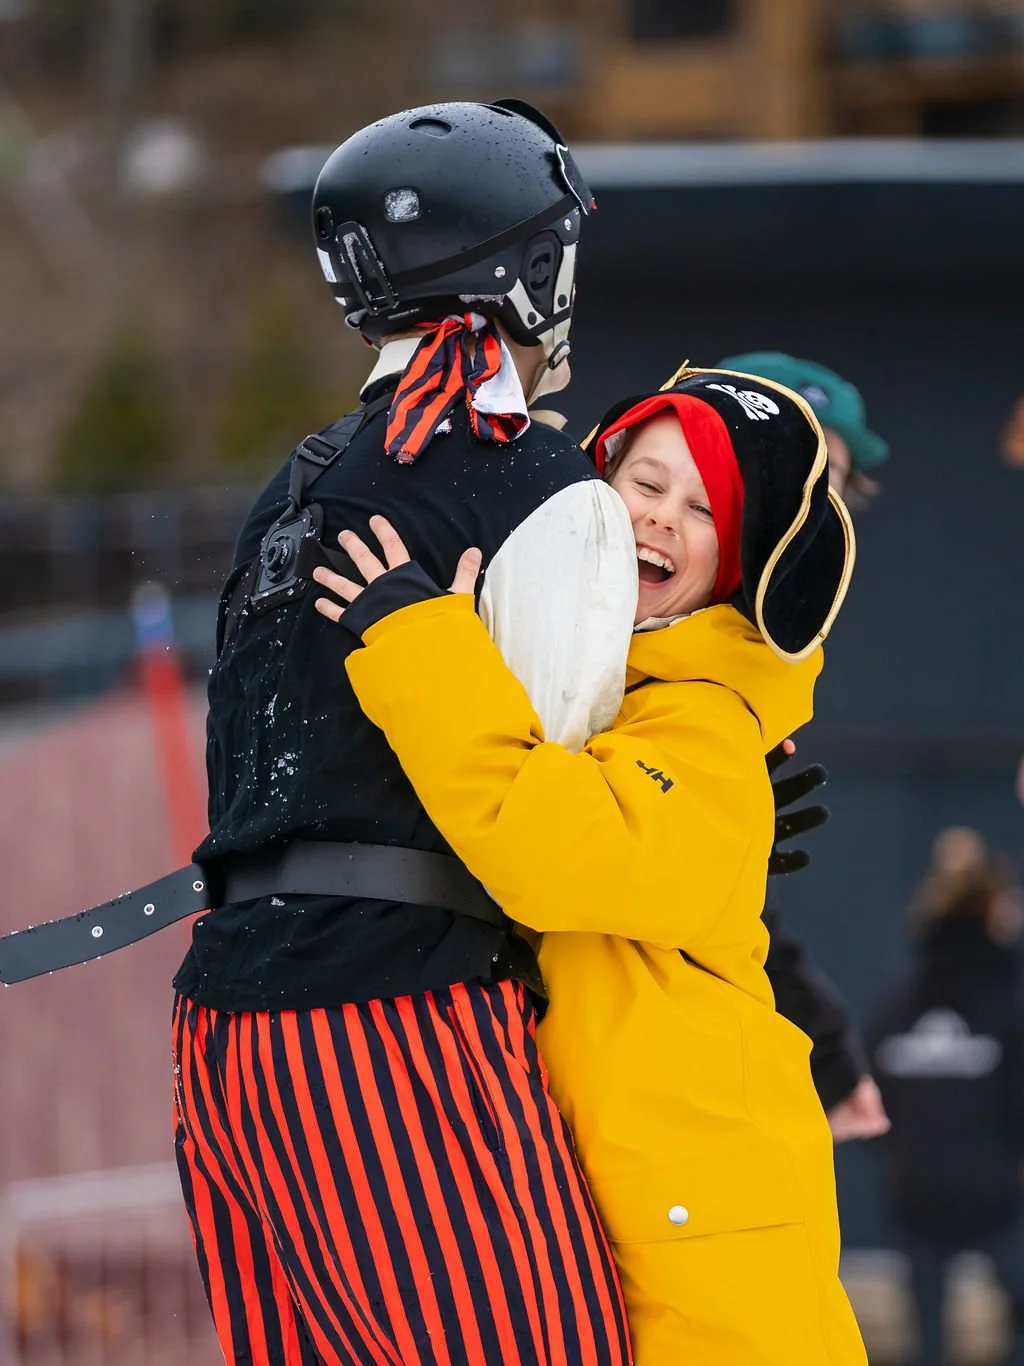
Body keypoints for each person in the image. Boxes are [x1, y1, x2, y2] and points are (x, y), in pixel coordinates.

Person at [171, 99, 637, 1366]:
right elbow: (555, 814)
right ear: (529, 271)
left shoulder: (300, 480)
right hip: (398, 1019)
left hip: (225, 1034)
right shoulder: (536, 484)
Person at [314, 366, 869, 1364]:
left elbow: (546, 847)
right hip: (637, 1203)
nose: (660, 517)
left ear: (739, 566)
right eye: (645, 482)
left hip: (706, 1228)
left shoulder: (707, 719)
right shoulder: (596, 693)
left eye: (703, 510)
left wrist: (414, 639)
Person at [720, 350, 891, 1142]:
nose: (810, 506)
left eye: (833, 484)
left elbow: (728, 903)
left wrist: (827, 1051)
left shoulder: (768, 651)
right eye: (794, 467)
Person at [869, 828, 1024, 1366]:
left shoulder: (901, 1007)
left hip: (916, 1192)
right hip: (995, 1196)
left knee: (927, 1333)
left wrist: (903, 1154)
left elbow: (869, 1094)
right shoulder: (1005, 1011)